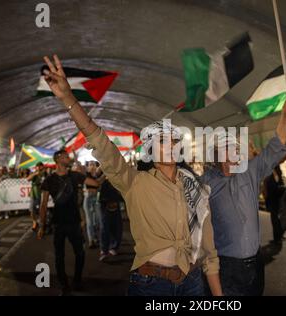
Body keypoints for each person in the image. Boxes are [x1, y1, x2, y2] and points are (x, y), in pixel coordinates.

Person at [41, 54, 222, 296]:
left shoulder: (196, 189)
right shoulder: (136, 183)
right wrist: (68, 98)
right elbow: (101, 144)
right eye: (161, 141)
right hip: (151, 285)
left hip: (192, 284)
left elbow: (209, 251)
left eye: (173, 140)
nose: (168, 145)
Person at [201, 96, 286, 296]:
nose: (236, 150)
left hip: (255, 264)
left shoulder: (250, 171)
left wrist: (285, 119)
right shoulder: (206, 182)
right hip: (225, 267)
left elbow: (273, 150)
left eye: (236, 147)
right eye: (229, 147)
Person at [37, 150, 97, 295]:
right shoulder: (49, 180)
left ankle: (76, 280)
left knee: (80, 253)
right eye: (65, 156)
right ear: (58, 160)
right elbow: (43, 204)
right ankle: (64, 284)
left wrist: (106, 174)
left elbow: (94, 183)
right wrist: (41, 226)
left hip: (74, 221)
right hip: (58, 223)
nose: (68, 158)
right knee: (59, 256)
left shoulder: (75, 175)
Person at [98, 178, 124, 261]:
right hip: (105, 207)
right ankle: (104, 250)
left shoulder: (118, 182)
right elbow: (101, 197)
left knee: (117, 227)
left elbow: (122, 196)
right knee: (105, 228)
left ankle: (114, 247)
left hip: (115, 207)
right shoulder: (104, 182)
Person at [83, 161, 102, 248]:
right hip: (88, 199)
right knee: (90, 221)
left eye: (94, 164)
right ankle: (91, 240)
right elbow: (79, 167)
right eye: (90, 165)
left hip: (97, 198)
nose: (92, 166)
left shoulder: (98, 175)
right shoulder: (86, 175)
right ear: (87, 167)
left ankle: (96, 237)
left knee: (98, 220)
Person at [27, 162, 47, 231]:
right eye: (37, 166)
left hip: (43, 193)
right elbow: (28, 179)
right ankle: (34, 222)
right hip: (34, 193)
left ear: (42, 167)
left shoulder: (45, 173)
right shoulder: (34, 173)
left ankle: (42, 223)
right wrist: (35, 174)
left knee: (42, 209)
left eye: (40, 166)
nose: (38, 167)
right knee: (32, 209)